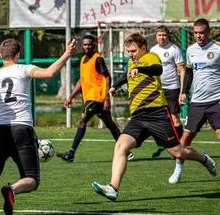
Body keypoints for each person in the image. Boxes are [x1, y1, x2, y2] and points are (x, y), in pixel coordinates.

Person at [92, 33, 217, 201]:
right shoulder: (132, 62)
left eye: (134, 51)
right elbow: (126, 74)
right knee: (120, 146)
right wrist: (114, 86)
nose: (131, 54)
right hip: (138, 117)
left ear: (143, 48)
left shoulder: (152, 57)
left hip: (157, 114)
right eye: (128, 51)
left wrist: (140, 69)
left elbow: (158, 70)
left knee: (177, 152)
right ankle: (113, 188)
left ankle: (203, 158)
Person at [0, 38, 78, 215]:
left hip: (0, 131)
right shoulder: (23, 68)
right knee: (32, 179)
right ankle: (12, 189)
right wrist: (67, 53)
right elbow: (50, 73)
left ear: (0, 56)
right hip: (22, 129)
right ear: (18, 55)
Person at [56, 34, 134, 163]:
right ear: (83, 45)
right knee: (110, 124)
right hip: (89, 98)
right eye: (85, 44)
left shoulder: (97, 59)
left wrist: (107, 98)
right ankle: (128, 152)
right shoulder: (82, 59)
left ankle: (71, 153)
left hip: (96, 97)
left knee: (82, 121)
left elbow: (107, 76)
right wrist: (70, 97)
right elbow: (81, 81)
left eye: (90, 44)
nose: (87, 46)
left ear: (94, 45)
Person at [172, 18, 220, 183]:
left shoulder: (218, 48)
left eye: (201, 32)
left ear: (208, 32)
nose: (198, 36)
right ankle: (178, 170)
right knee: (185, 139)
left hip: (216, 100)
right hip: (197, 102)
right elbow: (189, 73)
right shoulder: (191, 50)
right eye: (196, 33)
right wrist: (184, 91)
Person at [149, 26, 185, 165]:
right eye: (159, 35)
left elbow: (181, 70)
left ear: (168, 36)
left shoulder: (174, 50)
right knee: (157, 118)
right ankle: (163, 143)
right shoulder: (153, 50)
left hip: (172, 89)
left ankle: (179, 148)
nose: (162, 38)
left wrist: (182, 91)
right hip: (157, 89)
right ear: (156, 36)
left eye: (164, 35)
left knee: (175, 119)